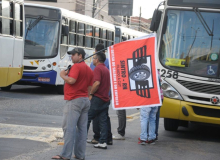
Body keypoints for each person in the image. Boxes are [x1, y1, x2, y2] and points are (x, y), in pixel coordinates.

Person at [52, 48, 94, 160]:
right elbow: (90, 86)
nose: (71, 57)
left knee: (68, 128)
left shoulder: (76, 67)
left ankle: (65, 155)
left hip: (74, 100)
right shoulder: (89, 69)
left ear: (80, 56)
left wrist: (62, 75)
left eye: (73, 55)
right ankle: (80, 154)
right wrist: (88, 96)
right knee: (82, 129)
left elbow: (71, 81)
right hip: (85, 100)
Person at [87, 43, 112, 145]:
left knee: (88, 117)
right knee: (103, 120)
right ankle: (104, 141)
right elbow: (109, 84)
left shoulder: (97, 68)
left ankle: (80, 139)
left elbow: (96, 82)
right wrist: (108, 95)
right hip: (105, 97)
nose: (92, 60)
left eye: (93, 58)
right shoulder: (106, 69)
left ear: (97, 59)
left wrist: (91, 93)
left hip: (97, 97)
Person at [155, 70, 164, 141]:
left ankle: (149, 135)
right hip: (160, 97)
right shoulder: (157, 71)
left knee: (150, 117)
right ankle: (155, 134)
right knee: (156, 116)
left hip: (155, 98)